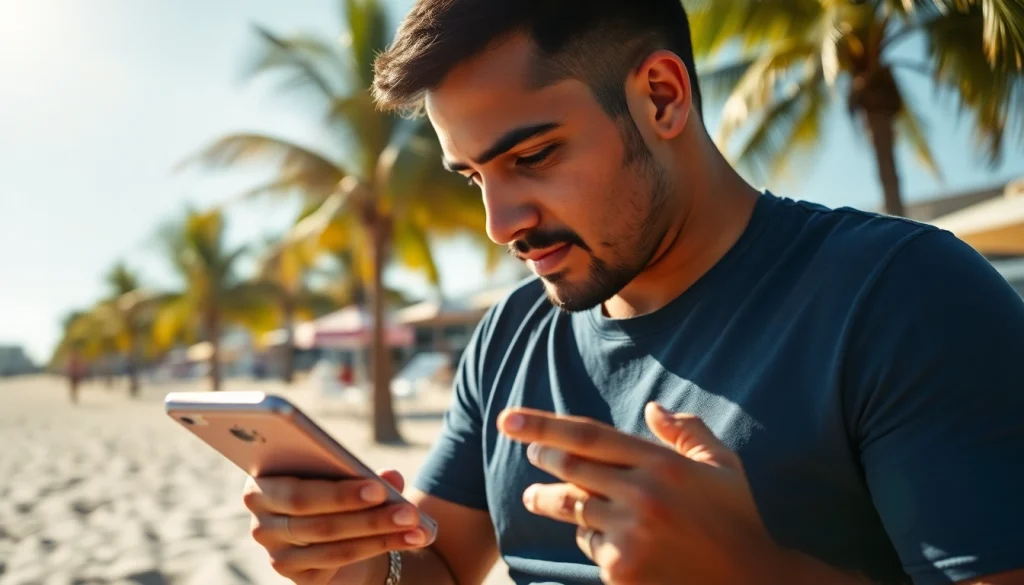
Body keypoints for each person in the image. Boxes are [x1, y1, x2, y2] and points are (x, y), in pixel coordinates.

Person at [240, 1, 1024, 584]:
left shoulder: (905, 297)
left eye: (535, 155)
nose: (499, 222)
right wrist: (346, 555)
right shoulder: (511, 334)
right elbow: (436, 564)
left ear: (661, 96)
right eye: (474, 176)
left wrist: (752, 570)